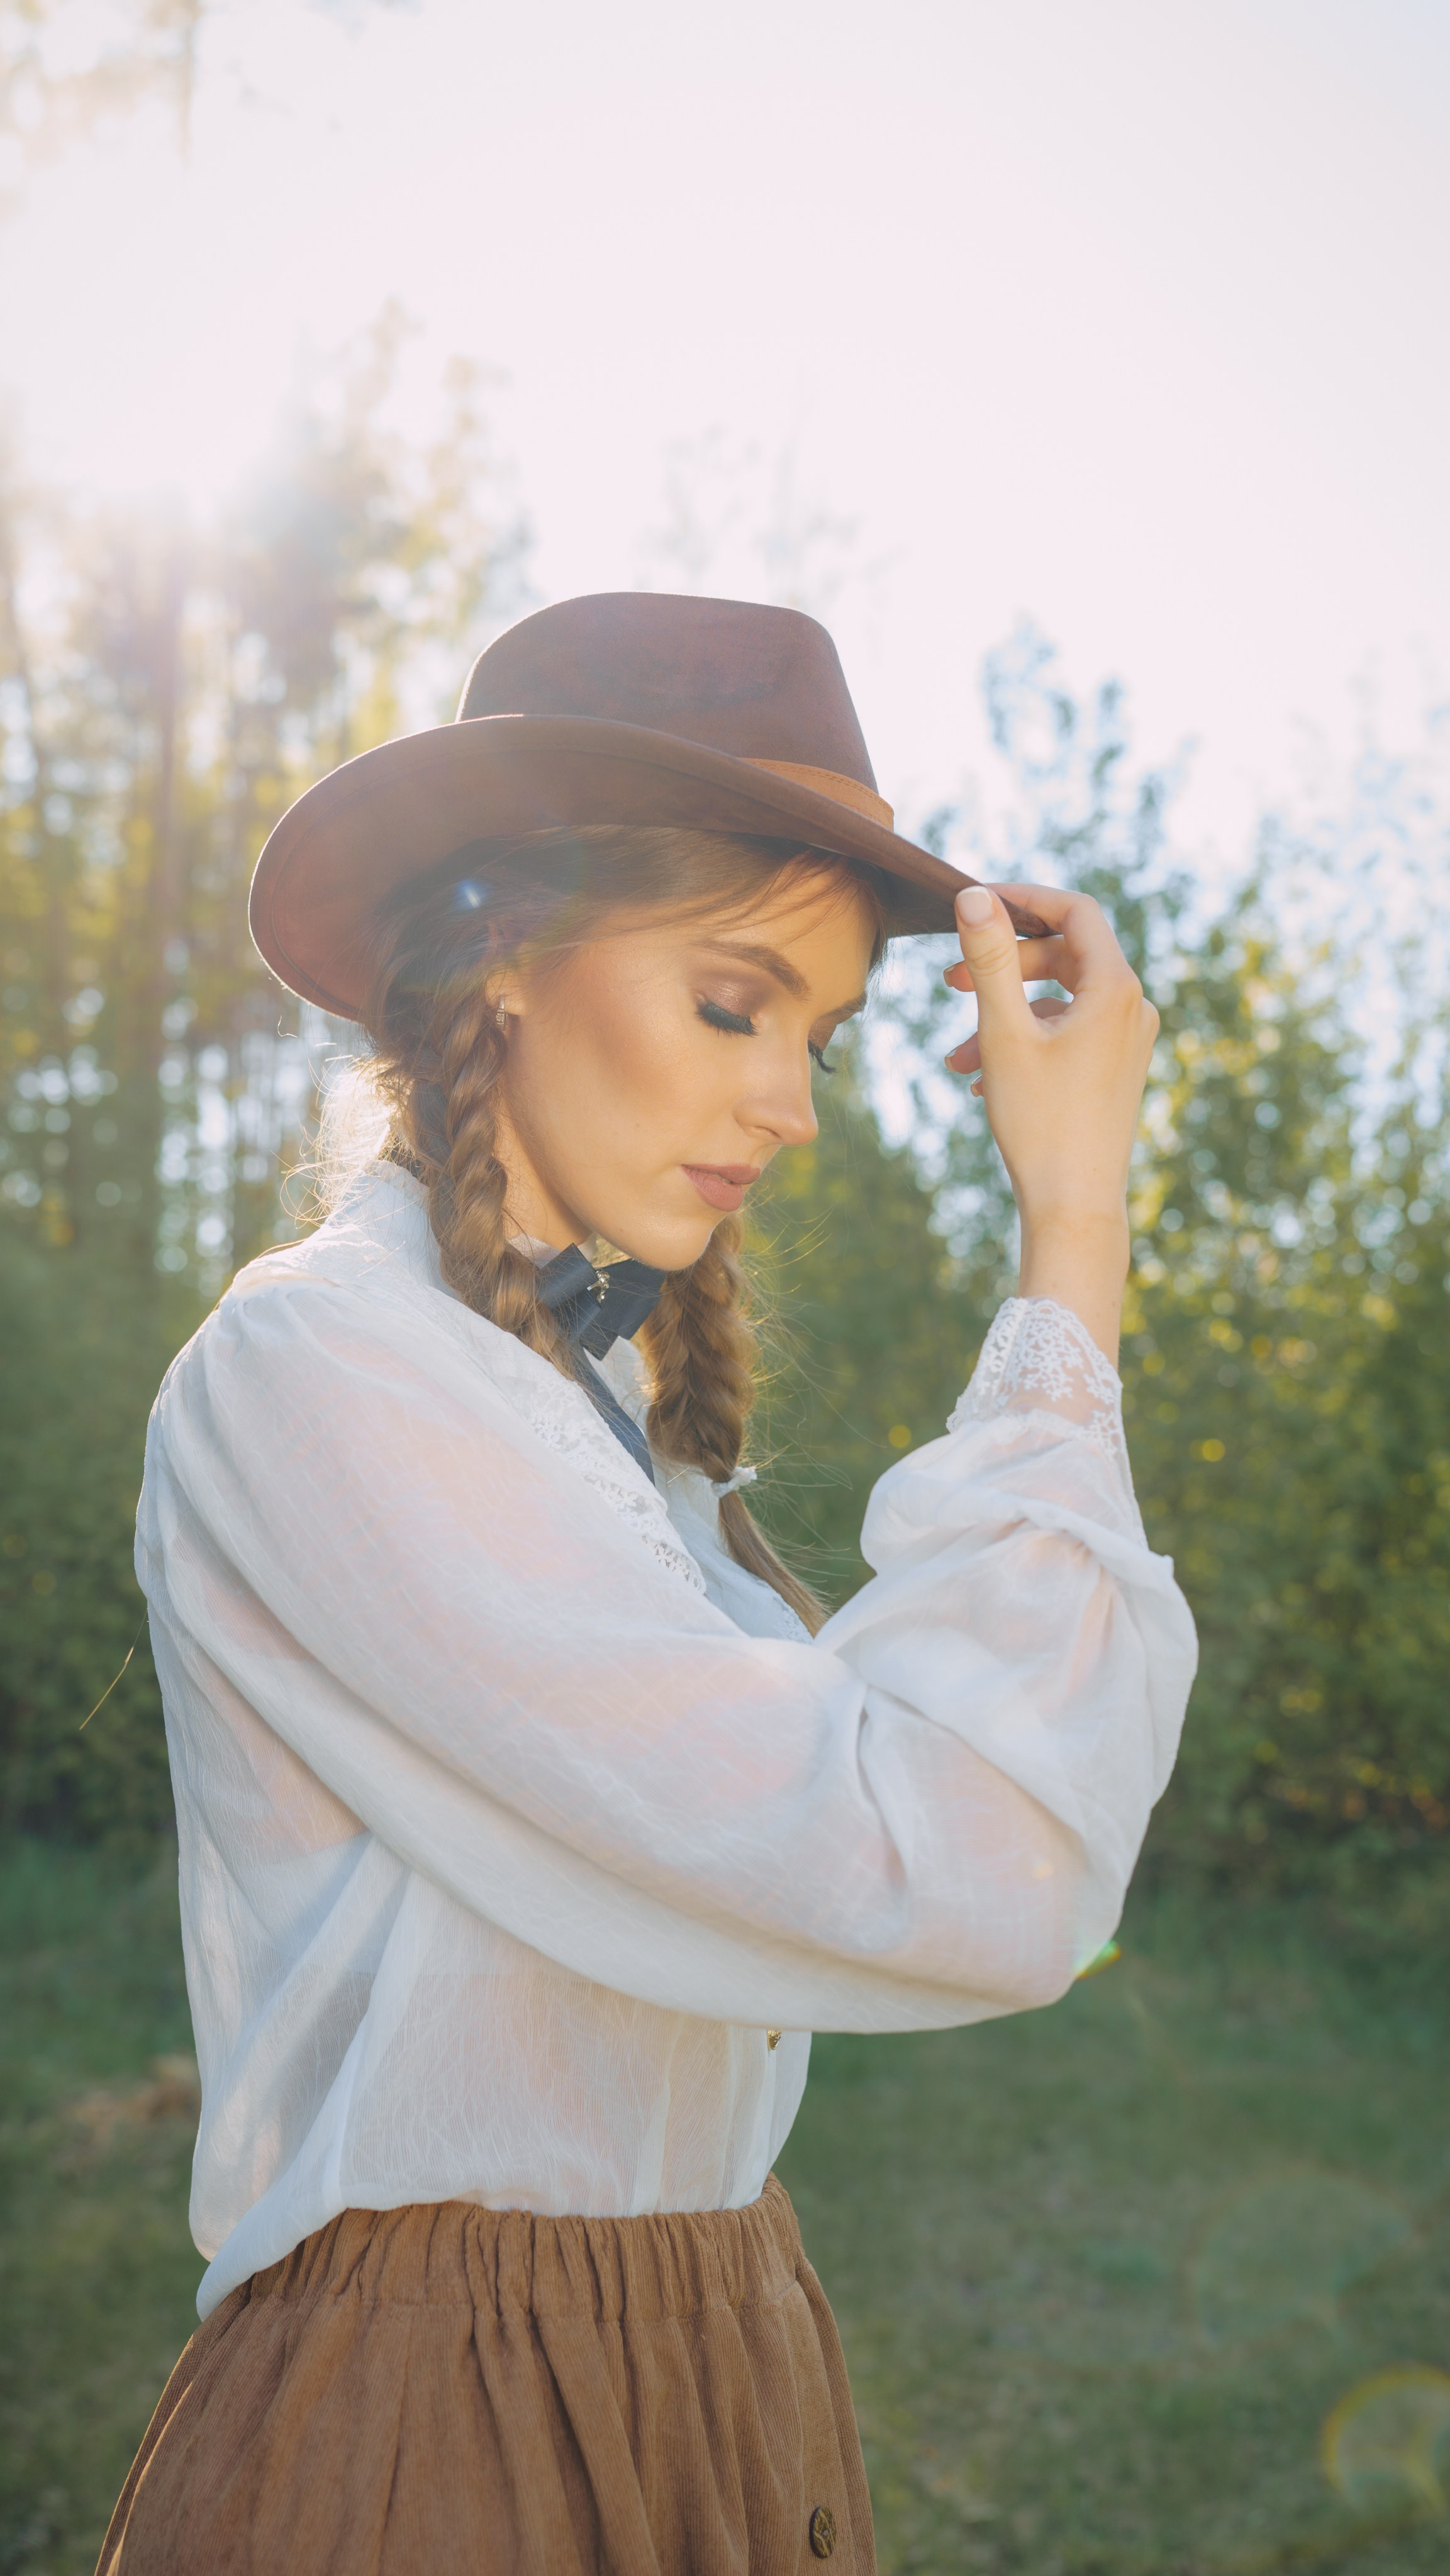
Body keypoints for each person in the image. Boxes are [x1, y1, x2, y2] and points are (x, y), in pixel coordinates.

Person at [99, 592, 1195, 2576]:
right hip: (443, 2432)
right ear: (501, 954)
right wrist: (1076, 1228)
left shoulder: (599, 1413)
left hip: (722, 2357)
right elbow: (958, 1861)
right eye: (729, 1002)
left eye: (822, 1037)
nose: (789, 1106)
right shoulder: (331, 1372)